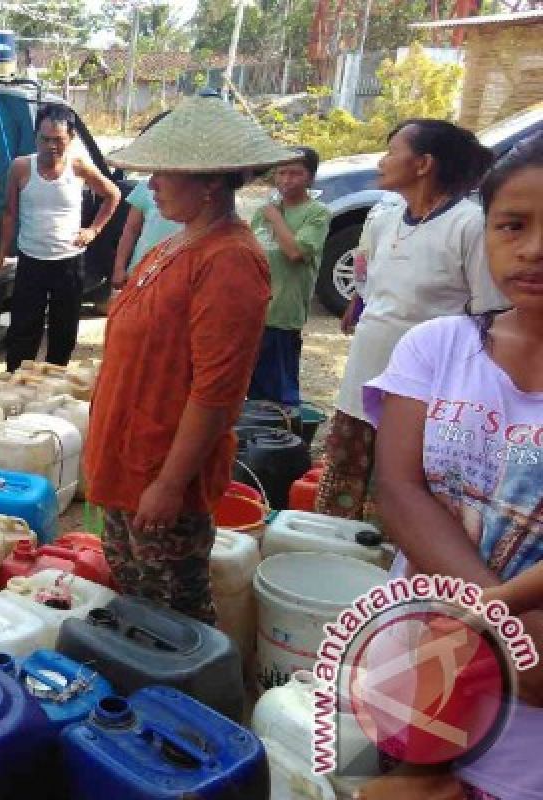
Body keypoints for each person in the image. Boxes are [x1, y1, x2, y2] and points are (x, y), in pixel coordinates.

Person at [365, 133, 543, 800]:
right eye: (513, 225)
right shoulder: (439, 346)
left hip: (531, 702)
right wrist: (500, 622)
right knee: (377, 778)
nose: (533, 248)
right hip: (414, 646)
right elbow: (401, 488)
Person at [83, 95, 291, 622]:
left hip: (160, 467)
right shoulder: (174, 244)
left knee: (172, 612)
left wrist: (170, 484)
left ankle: (189, 702)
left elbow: (217, 392)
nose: (150, 184)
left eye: (164, 173)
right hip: (129, 457)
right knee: (134, 597)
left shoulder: (230, 261)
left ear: (210, 184)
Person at [315, 119, 506, 520]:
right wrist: (358, 302)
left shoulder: (468, 225)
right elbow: (367, 281)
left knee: (402, 486)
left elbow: (489, 313)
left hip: (423, 390)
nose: (382, 161)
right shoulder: (383, 218)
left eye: (391, 151)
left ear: (423, 164)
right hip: (363, 378)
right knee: (346, 474)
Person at [0, 104, 121, 371]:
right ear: (36, 137)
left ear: (71, 138)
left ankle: (55, 383)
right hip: (31, 261)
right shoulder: (20, 168)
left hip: (69, 262)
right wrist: (1, 254)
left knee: (63, 330)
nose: (51, 146)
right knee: (23, 328)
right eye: (45, 139)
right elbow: (9, 214)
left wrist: (93, 230)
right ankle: (16, 380)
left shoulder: (78, 167)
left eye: (58, 140)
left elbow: (113, 195)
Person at [247, 146, 331, 407]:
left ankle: (285, 441)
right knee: (252, 387)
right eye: (281, 173)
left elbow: (295, 252)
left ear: (310, 177)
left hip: (284, 312)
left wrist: (275, 218)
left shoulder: (316, 213)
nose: (286, 180)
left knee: (280, 390)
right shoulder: (264, 212)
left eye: (295, 173)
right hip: (256, 311)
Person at [111, 111, 181, 290]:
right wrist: (119, 267)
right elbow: (130, 230)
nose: (152, 184)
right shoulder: (144, 188)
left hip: (173, 279)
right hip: (141, 272)